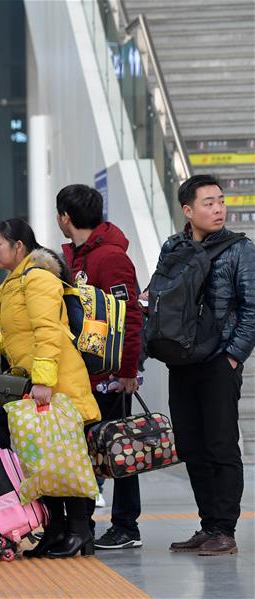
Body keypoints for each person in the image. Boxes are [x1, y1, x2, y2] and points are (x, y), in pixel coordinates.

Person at [0, 218, 101, 559]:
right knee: (41, 461)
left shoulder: (37, 280)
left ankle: (79, 531)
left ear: (18, 247)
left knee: (66, 461)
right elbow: (15, 338)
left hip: (57, 384)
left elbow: (48, 333)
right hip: (39, 385)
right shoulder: (14, 283)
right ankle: (54, 530)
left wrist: (43, 382)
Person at [142, 175, 254, 556]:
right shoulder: (172, 246)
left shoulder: (240, 249)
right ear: (188, 211)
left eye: (221, 201)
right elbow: (156, 298)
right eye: (209, 203)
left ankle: (225, 529)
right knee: (192, 445)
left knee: (221, 445)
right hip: (182, 360)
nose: (219, 208)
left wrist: (233, 355)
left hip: (218, 362)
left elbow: (252, 307)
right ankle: (208, 526)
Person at [55, 184, 145, 551]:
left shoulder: (110, 258)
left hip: (110, 378)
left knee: (120, 451)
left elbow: (130, 317)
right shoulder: (73, 257)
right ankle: (85, 524)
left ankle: (126, 526)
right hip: (84, 375)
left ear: (66, 218)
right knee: (91, 453)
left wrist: (126, 371)